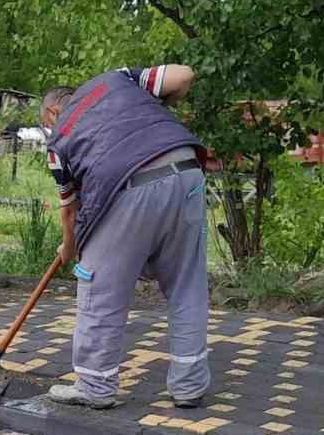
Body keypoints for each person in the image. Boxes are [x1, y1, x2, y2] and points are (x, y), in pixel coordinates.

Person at [40, 64, 210, 408]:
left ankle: (95, 387)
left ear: (54, 111)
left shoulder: (59, 141)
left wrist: (70, 250)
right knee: (186, 284)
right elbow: (184, 76)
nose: (49, 131)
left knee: (98, 285)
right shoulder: (118, 80)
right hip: (188, 172)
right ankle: (189, 386)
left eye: (46, 124)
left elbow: (70, 211)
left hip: (128, 186)